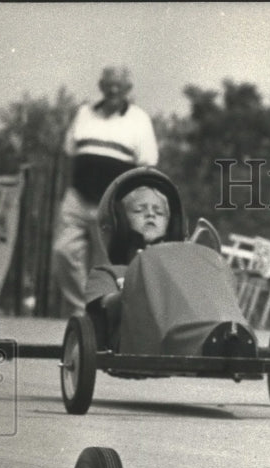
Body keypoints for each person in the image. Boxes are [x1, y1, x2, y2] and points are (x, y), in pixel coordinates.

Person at [52, 66, 159, 317]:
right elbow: (70, 153)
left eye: (119, 86)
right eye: (108, 84)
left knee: (106, 266)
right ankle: (82, 309)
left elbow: (147, 165)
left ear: (127, 90)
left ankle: (102, 316)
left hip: (113, 202)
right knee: (63, 252)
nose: (113, 90)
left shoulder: (139, 119)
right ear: (101, 86)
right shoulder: (84, 114)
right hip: (77, 197)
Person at [86, 167, 186, 349]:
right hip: (129, 341)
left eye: (159, 212)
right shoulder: (107, 273)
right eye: (140, 210)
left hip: (178, 338)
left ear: (170, 225)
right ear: (120, 221)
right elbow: (103, 308)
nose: (151, 214)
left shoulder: (178, 271)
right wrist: (135, 289)